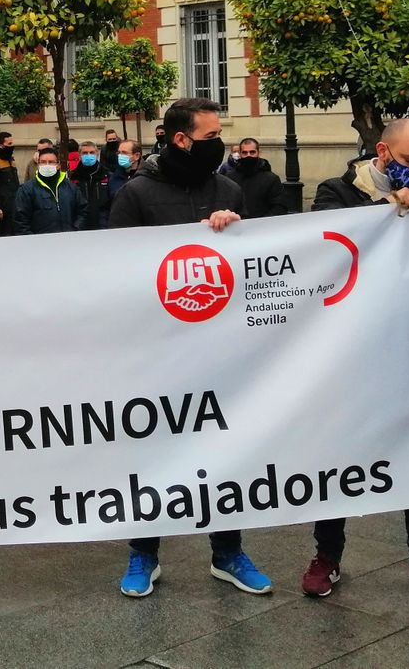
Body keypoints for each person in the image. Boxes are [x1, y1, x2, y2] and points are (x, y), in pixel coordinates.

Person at [108, 98, 269, 598]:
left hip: (218, 347)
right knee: (152, 452)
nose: (220, 144)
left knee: (224, 448)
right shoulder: (136, 194)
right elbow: (114, 268)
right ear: (181, 139)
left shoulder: (229, 190)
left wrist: (234, 231)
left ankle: (228, 551)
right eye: (211, 136)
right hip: (157, 350)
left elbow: (250, 263)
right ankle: (143, 553)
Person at [308, 118, 409, 604]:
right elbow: (324, 248)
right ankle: (326, 556)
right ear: (382, 152)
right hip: (348, 353)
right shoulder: (337, 192)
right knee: (336, 454)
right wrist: (388, 212)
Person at [14, 148, 85, 234]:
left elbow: (83, 211)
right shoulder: (26, 190)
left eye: (51, 162)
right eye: (43, 162)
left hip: (68, 238)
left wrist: (75, 230)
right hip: (40, 240)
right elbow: (20, 221)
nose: (47, 165)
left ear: (58, 165)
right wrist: (32, 239)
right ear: (38, 164)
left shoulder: (71, 188)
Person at [227, 138, 290, 219]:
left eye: (252, 152)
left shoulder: (271, 179)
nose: (248, 155)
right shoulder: (230, 178)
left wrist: (262, 222)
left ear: (259, 153)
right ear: (240, 154)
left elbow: (279, 206)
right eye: (245, 153)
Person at [69, 140, 110, 230]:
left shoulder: (107, 175)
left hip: (103, 225)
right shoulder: (72, 177)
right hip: (80, 226)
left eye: (91, 152)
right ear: (79, 155)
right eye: (85, 153)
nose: (88, 155)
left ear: (97, 154)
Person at [0, 132, 21, 237]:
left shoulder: (10, 159)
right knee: (3, 234)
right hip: (3, 206)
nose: (12, 146)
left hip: (13, 204)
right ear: (0, 145)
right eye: (9, 144)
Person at [106, 139, 144, 216]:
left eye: (124, 153)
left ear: (136, 156)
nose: (120, 156)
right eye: (119, 153)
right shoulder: (114, 177)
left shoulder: (146, 178)